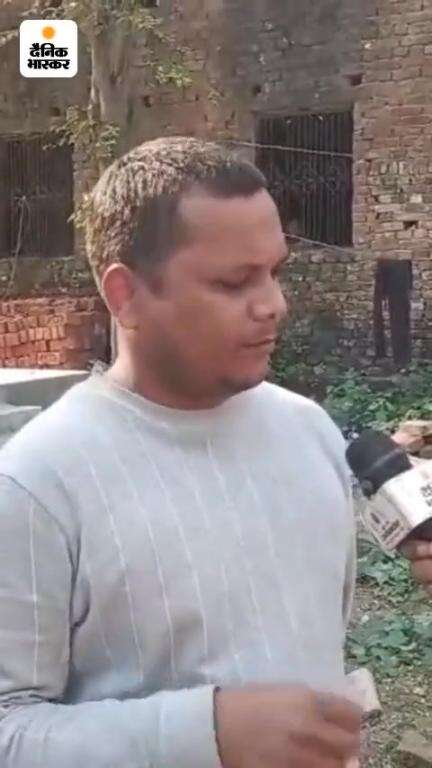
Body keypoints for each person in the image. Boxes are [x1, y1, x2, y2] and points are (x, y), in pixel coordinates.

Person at [0, 137, 360, 767]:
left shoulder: (310, 431)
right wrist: (202, 733)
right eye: (234, 282)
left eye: (275, 272)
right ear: (125, 295)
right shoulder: (37, 484)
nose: (274, 305)